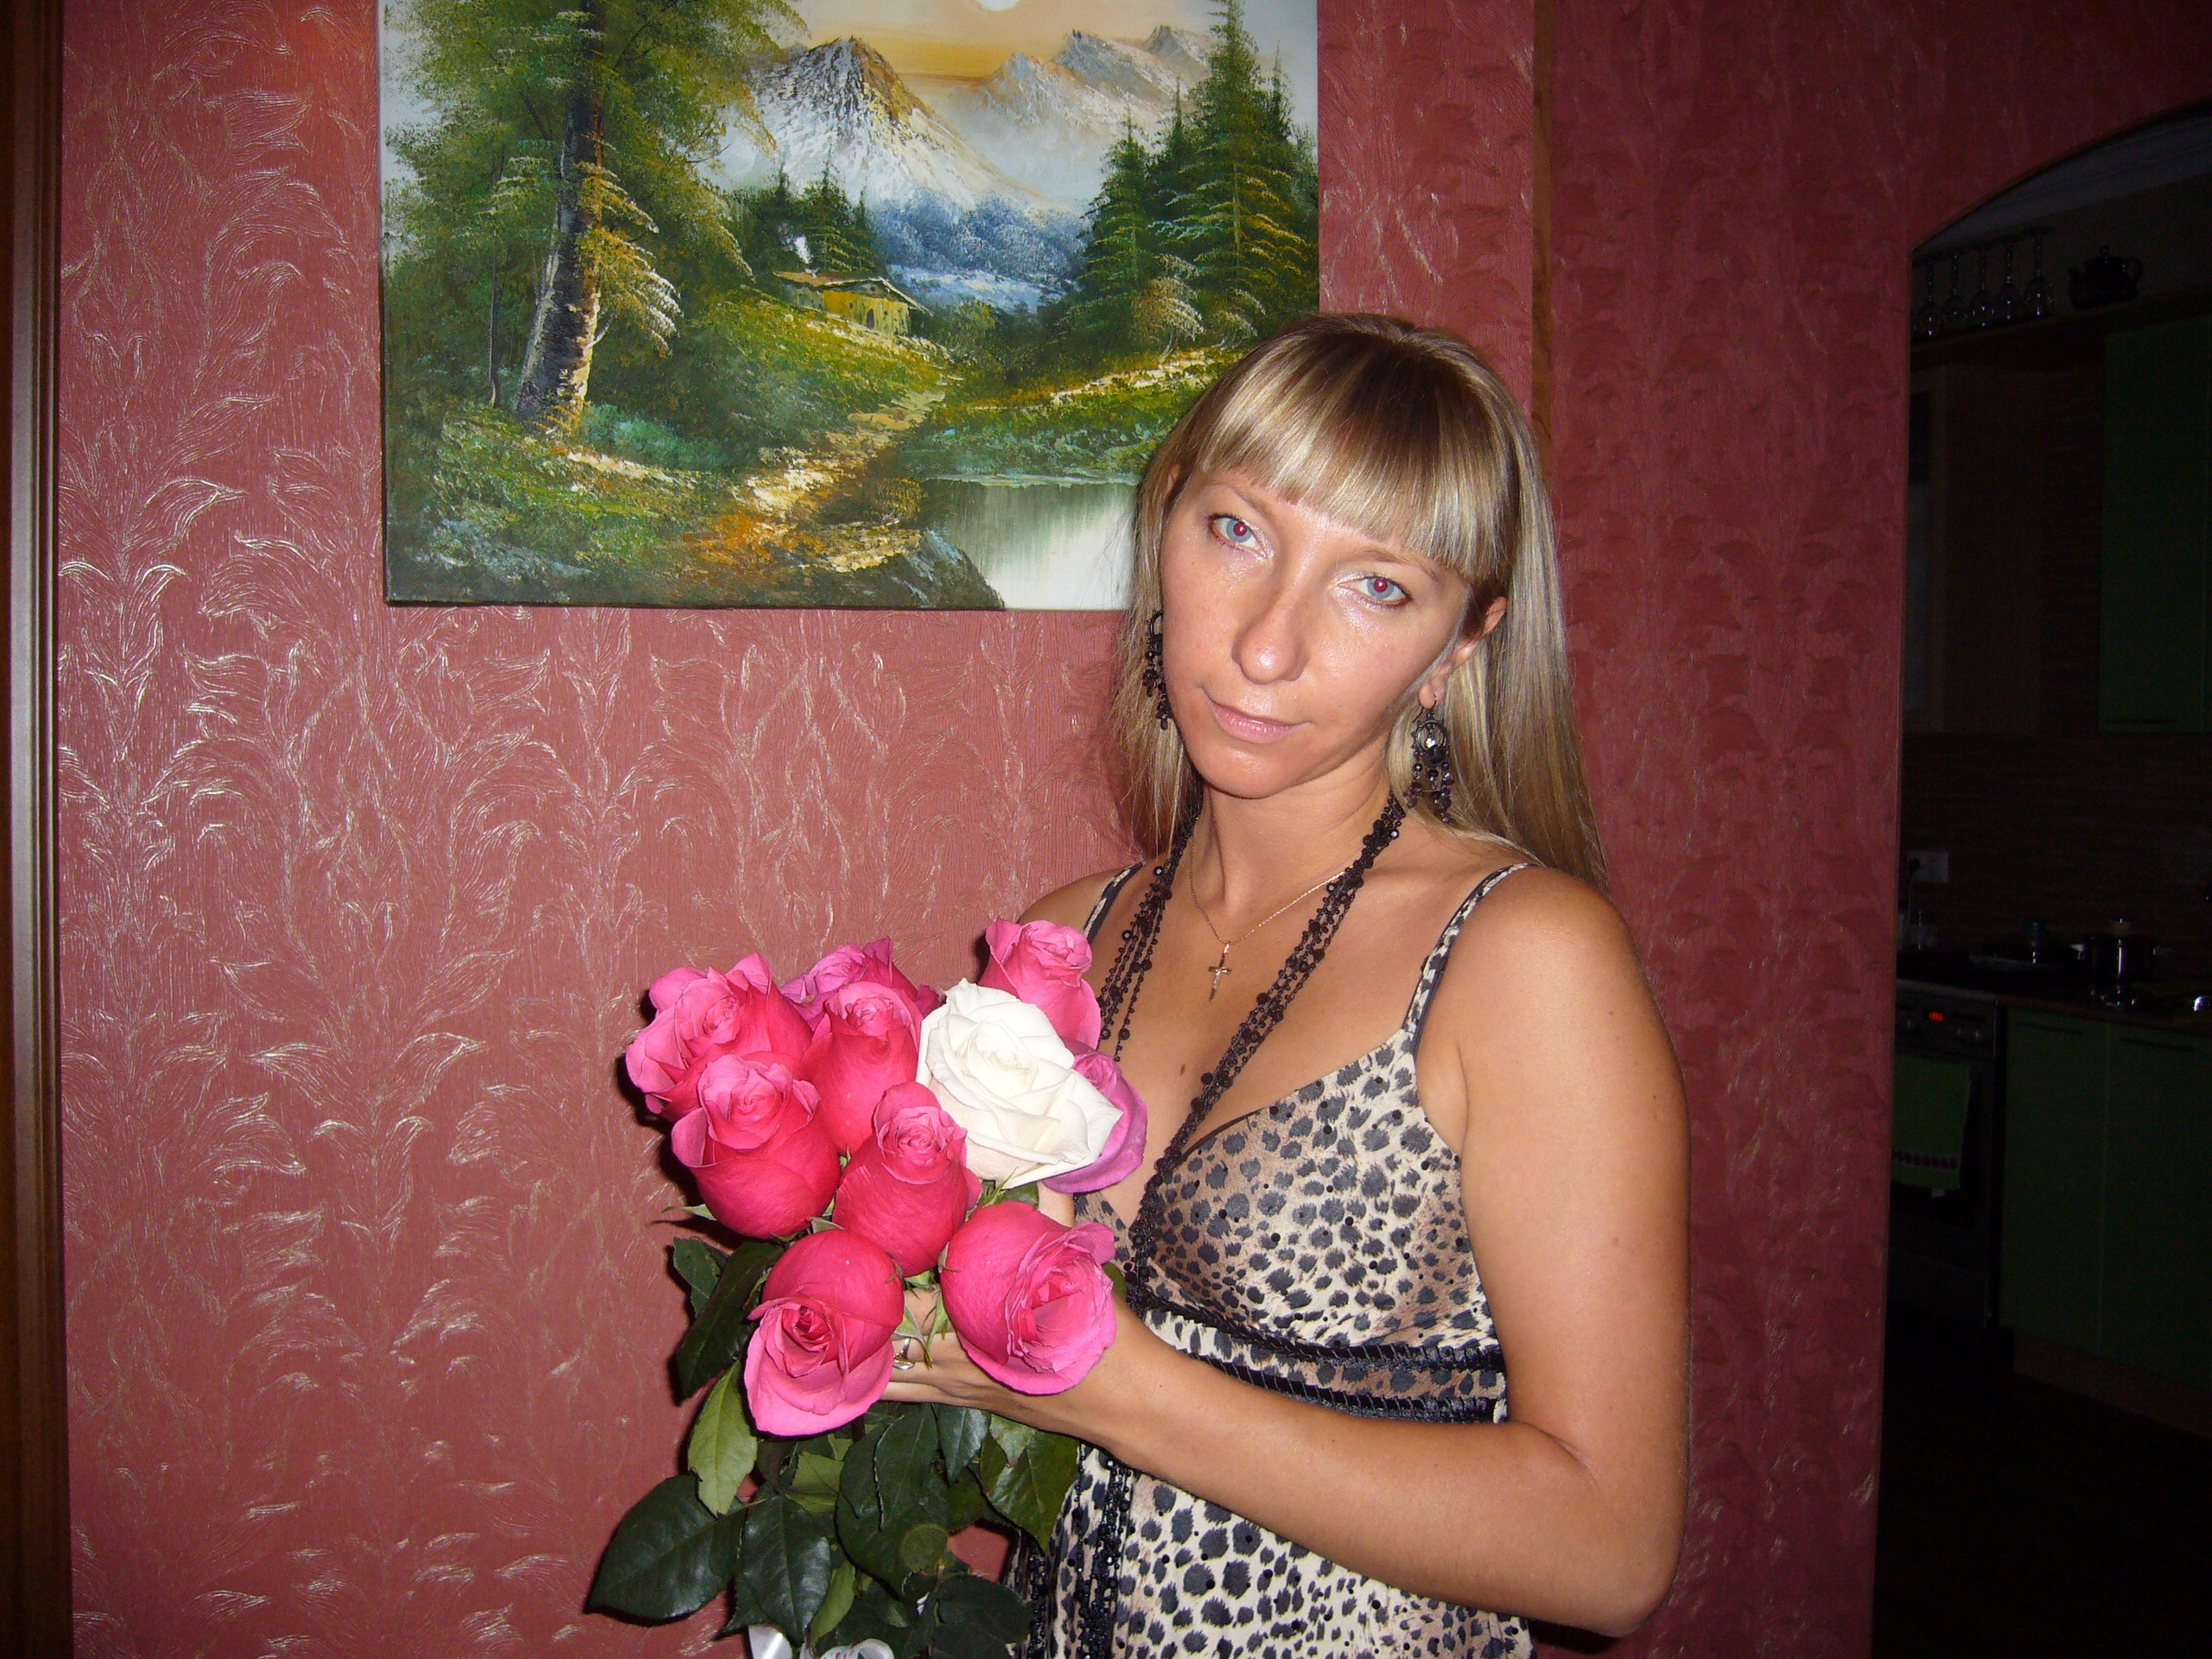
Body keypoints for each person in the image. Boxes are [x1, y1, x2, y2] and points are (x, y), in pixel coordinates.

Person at [884, 312, 1688, 1657]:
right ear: (1167, 529)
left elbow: (1613, 1550)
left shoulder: (1521, 960)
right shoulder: (1066, 941)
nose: (1266, 647)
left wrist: (1115, 1389)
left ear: (1459, 649)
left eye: (1379, 587)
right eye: (1239, 532)